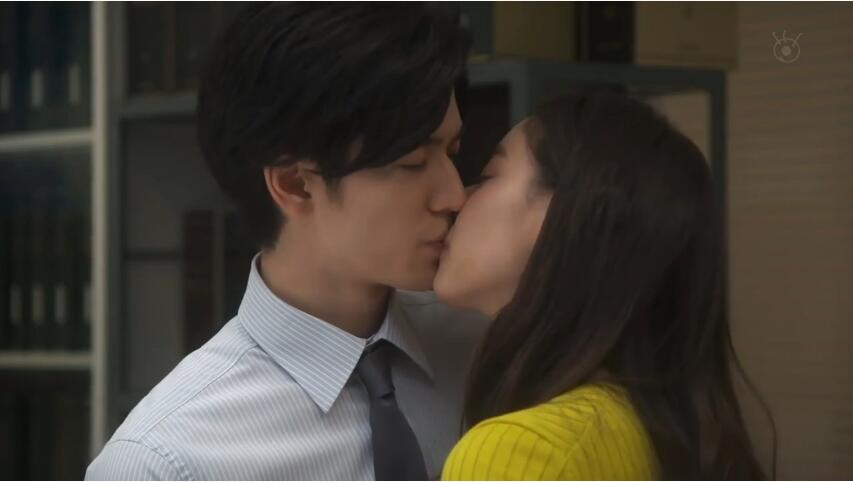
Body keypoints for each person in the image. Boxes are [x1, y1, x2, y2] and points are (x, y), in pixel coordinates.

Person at [86, 3, 488, 480]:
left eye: (453, 152)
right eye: (412, 163)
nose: (454, 195)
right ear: (295, 184)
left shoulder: (488, 343)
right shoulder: (164, 462)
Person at [435, 91, 770, 480]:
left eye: (488, 176)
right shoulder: (661, 428)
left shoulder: (521, 451)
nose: (457, 198)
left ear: (566, 216)